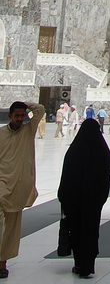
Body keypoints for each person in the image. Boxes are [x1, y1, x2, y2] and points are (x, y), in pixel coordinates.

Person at [57, 118, 110, 279]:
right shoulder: (102, 151)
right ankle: (88, 265)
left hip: (74, 200)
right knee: (90, 231)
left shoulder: (74, 151)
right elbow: (106, 174)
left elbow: (66, 176)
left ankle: (79, 263)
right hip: (93, 201)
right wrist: (100, 197)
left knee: (76, 231)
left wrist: (64, 197)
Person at [0, 100, 45, 278]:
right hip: (2, 182)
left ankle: (2, 262)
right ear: (9, 116)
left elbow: (40, 109)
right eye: (16, 115)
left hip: (19, 184)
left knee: (12, 227)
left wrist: (24, 104)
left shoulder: (28, 130)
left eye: (22, 115)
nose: (20, 119)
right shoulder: (1, 134)